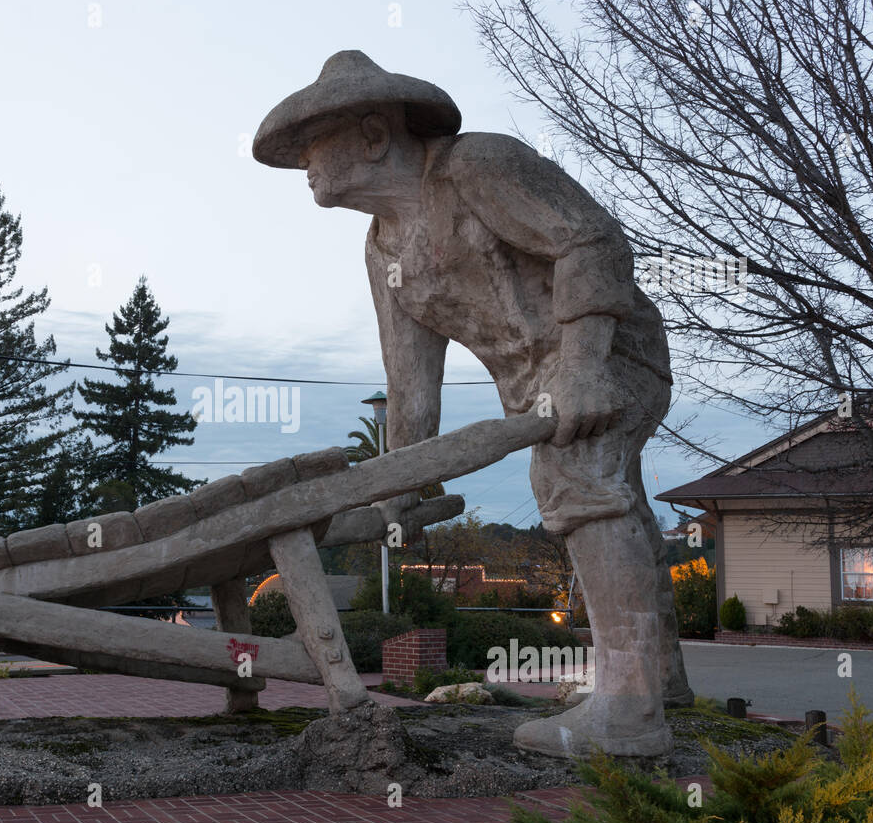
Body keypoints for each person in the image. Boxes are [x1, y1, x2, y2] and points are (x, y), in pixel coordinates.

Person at [254, 51, 694, 757]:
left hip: (611, 355)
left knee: (574, 476)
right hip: (539, 391)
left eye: (315, 142)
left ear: (372, 134)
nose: (305, 163)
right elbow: (411, 386)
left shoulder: (477, 167)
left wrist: (582, 367)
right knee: (619, 503)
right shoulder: (382, 250)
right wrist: (400, 482)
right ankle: (659, 682)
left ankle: (632, 714)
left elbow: (593, 240)